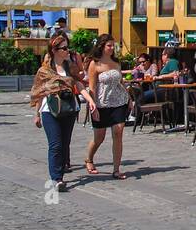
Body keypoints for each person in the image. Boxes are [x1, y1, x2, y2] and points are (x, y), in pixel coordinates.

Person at [31, 33, 93, 193]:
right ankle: (57, 178)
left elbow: (78, 84)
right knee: (55, 144)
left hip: (68, 109)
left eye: (67, 47)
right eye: (64, 48)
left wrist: (90, 100)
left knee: (65, 143)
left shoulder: (70, 66)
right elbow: (40, 92)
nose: (67, 51)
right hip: (49, 110)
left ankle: (60, 169)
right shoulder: (44, 70)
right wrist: (37, 114)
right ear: (54, 50)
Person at [84, 34, 130, 179]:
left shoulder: (116, 62)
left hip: (118, 101)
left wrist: (129, 97)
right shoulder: (95, 64)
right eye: (108, 45)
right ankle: (89, 159)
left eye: (113, 45)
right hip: (101, 103)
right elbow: (91, 87)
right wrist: (92, 106)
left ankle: (116, 169)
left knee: (118, 131)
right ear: (102, 46)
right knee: (99, 137)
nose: (111, 48)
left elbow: (121, 81)